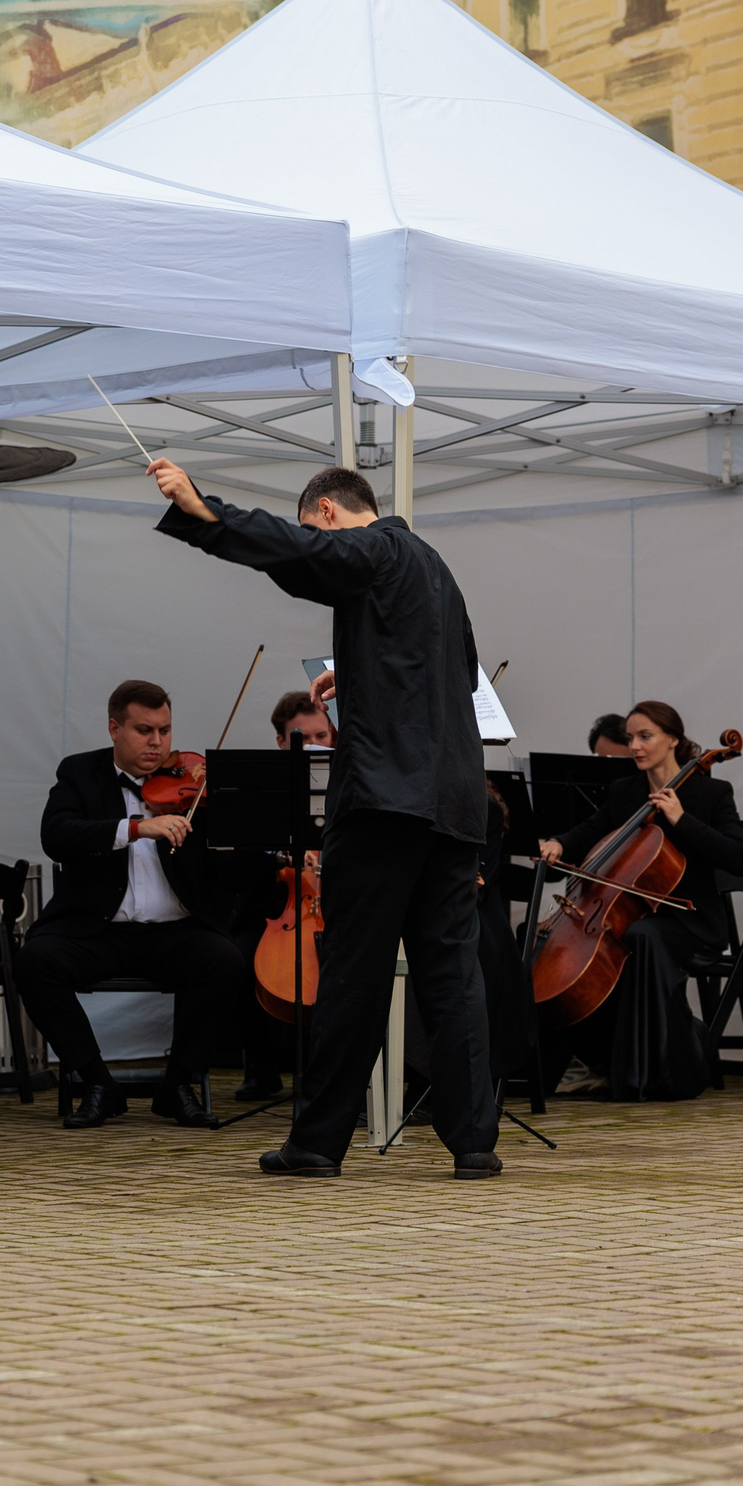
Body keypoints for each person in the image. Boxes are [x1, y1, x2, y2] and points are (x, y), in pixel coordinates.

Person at [153, 459, 501, 1180]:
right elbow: (454, 673)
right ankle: (474, 1144)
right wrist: (368, 667)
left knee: (354, 973)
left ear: (334, 514)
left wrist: (203, 509)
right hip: (455, 801)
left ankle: (316, 1142)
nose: (324, 545)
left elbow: (301, 553)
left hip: (385, 802)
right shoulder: (439, 572)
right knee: (451, 972)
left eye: (322, 529)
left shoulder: (373, 547)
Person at [20, 679, 247, 1130]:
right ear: (113, 728)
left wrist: (226, 826)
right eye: (144, 730)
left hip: (173, 932)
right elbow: (57, 835)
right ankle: (98, 1082)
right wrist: (137, 828)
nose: (157, 742)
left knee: (225, 960)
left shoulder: (193, 784)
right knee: (35, 963)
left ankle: (177, 1085)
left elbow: (227, 871)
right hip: (98, 930)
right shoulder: (79, 774)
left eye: (164, 730)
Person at [536, 701, 743, 1102]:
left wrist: (680, 819)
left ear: (673, 739)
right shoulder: (626, 791)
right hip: (629, 916)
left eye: (645, 736)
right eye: (631, 738)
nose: (635, 745)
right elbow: (591, 831)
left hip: (691, 920)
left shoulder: (711, 791)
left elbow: (738, 858)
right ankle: (574, 1063)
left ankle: (648, 1073)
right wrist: (559, 843)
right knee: (573, 942)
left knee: (643, 936)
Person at [224, 688, 339, 1102]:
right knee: (235, 955)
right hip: (273, 908)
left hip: (335, 903)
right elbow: (236, 870)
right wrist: (275, 854)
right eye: (301, 738)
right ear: (280, 742)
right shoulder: (258, 786)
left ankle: (328, 1069)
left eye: (321, 736)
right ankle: (261, 1067)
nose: (314, 746)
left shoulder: (349, 783)